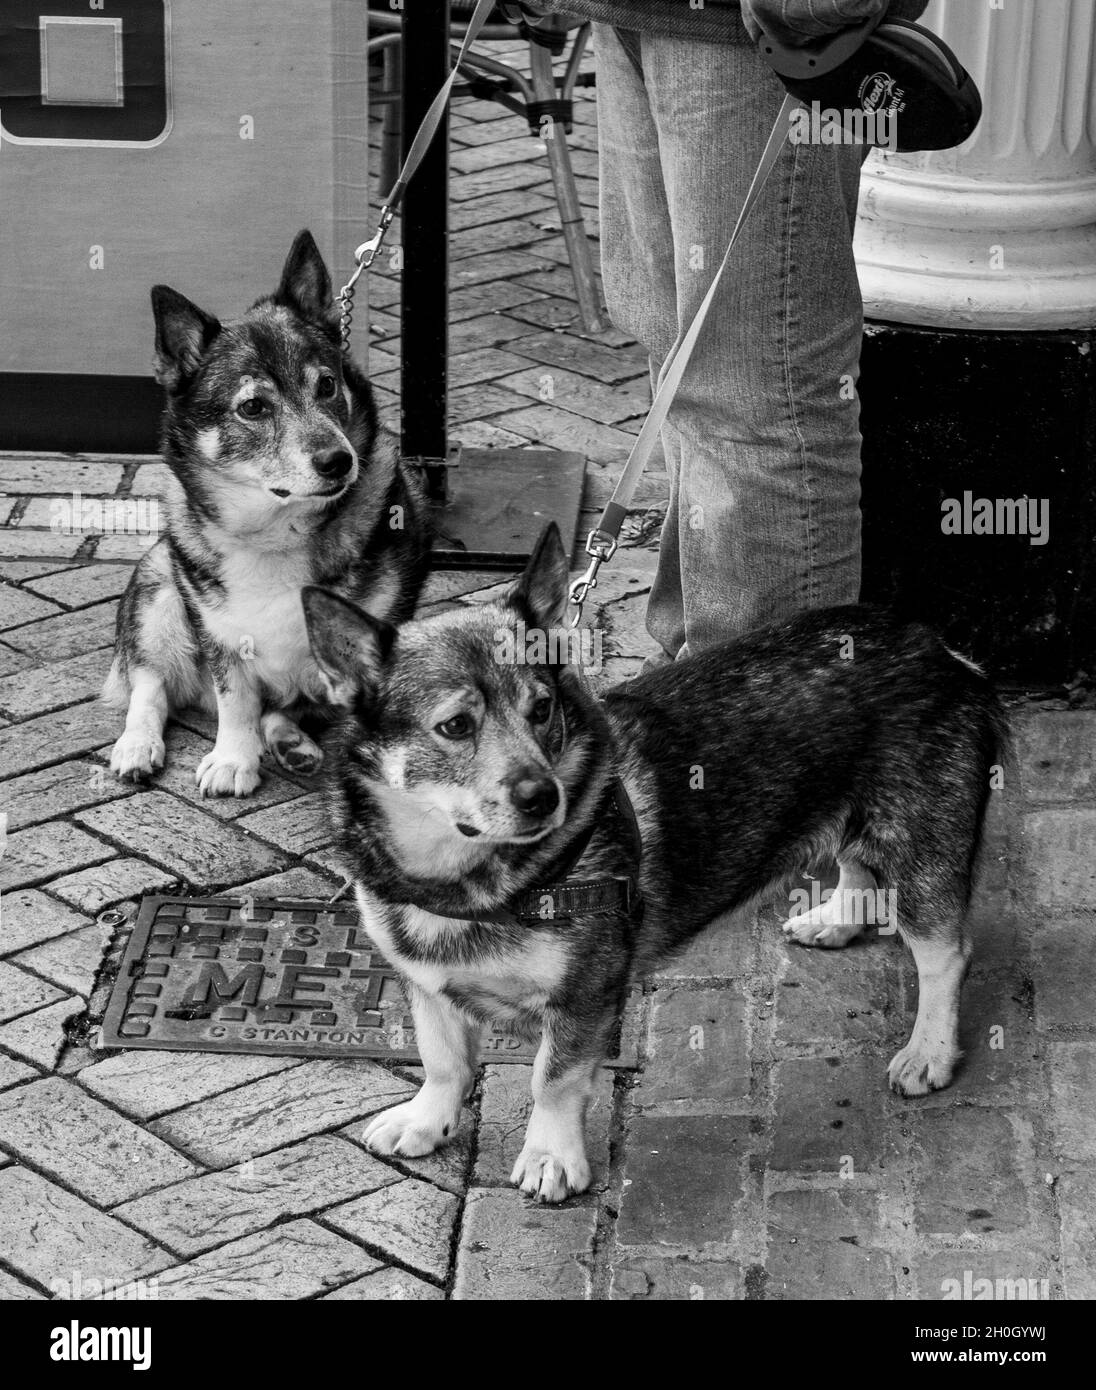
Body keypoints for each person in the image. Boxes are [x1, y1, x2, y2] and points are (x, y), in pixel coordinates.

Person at [518, 0, 927, 659]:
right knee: (685, 363)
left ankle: (770, 731)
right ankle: (702, 687)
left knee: (758, 389)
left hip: (754, 34)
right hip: (635, 12)